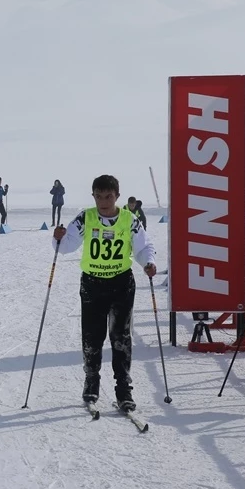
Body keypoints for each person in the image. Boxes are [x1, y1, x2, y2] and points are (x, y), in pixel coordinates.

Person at [52, 174, 157, 411]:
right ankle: (91, 381)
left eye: (108, 196)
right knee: (92, 337)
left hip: (121, 283)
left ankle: (123, 388)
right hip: (92, 284)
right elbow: (66, 246)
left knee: (120, 337)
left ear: (117, 196)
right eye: (98, 196)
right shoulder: (85, 218)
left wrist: (148, 263)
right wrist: (58, 238)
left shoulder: (129, 219)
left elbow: (143, 247)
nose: (103, 202)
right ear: (93, 196)